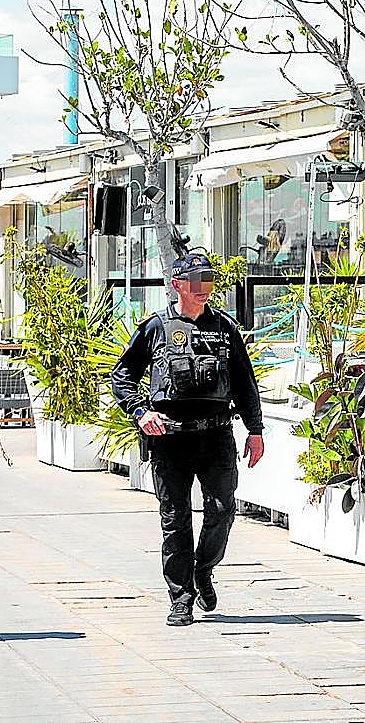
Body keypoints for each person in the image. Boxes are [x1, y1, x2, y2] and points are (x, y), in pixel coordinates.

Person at [111, 252, 265, 627]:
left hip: (216, 436)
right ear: (177, 285)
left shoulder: (226, 328)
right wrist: (140, 411)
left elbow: (244, 382)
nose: (204, 288)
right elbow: (122, 377)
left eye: (208, 280)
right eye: (196, 281)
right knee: (175, 519)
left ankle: (203, 569)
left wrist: (255, 430)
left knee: (223, 510)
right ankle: (180, 598)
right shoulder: (155, 327)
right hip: (169, 438)